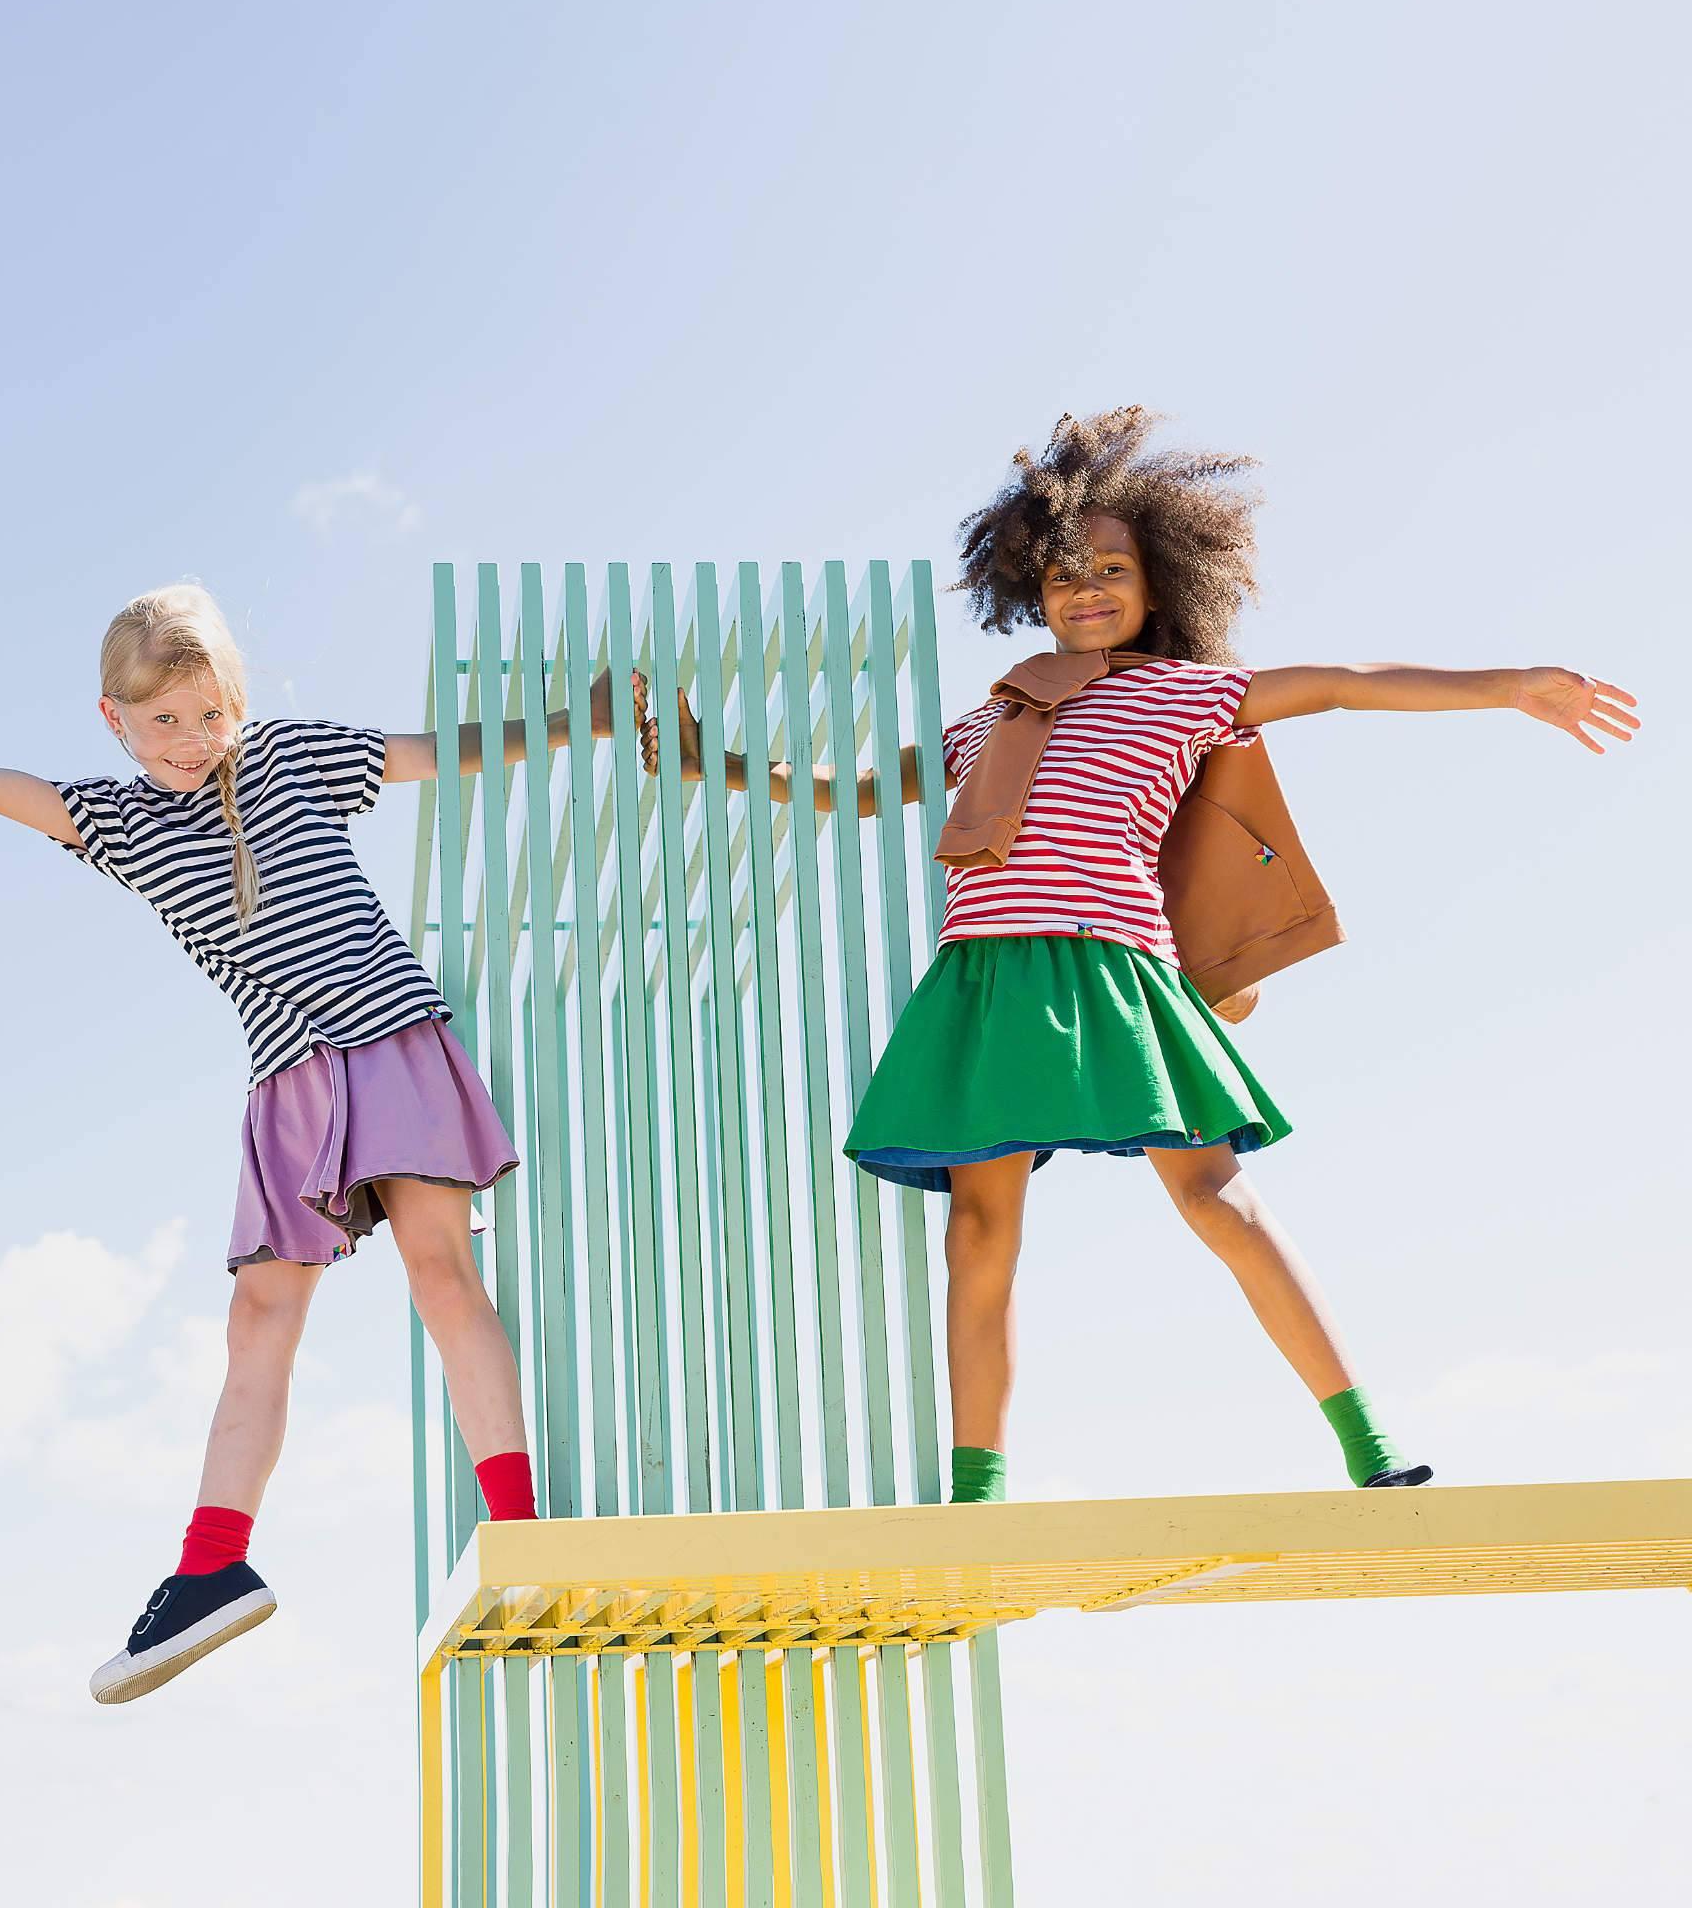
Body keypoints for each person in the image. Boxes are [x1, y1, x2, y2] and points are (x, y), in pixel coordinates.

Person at [648, 407, 1638, 1504]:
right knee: (977, 1231)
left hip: (1112, 971)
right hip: (984, 977)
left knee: (1216, 1195)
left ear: (1157, 583)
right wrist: (713, 760)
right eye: (1065, 573)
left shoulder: (1183, 692)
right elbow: (849, 790)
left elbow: (1341, 679)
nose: (1086, 591)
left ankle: (1368, 1442)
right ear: (1031, 586)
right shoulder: (986, 721)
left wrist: (1500, 683)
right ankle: (974, 1490)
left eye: (1111, 570)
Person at [0, 582, 640, 1701]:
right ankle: (211, 1564)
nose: (191, 741)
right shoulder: (122, 823)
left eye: (210, 715)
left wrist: (583, 716)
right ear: (113, 716)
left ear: (236, 704)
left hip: (388, 1039)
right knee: (258, 1316)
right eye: (162, 720)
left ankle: (520, 1526)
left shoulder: (296, 760)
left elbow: (438, 750)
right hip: (287, 1082)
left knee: (442, 1274)